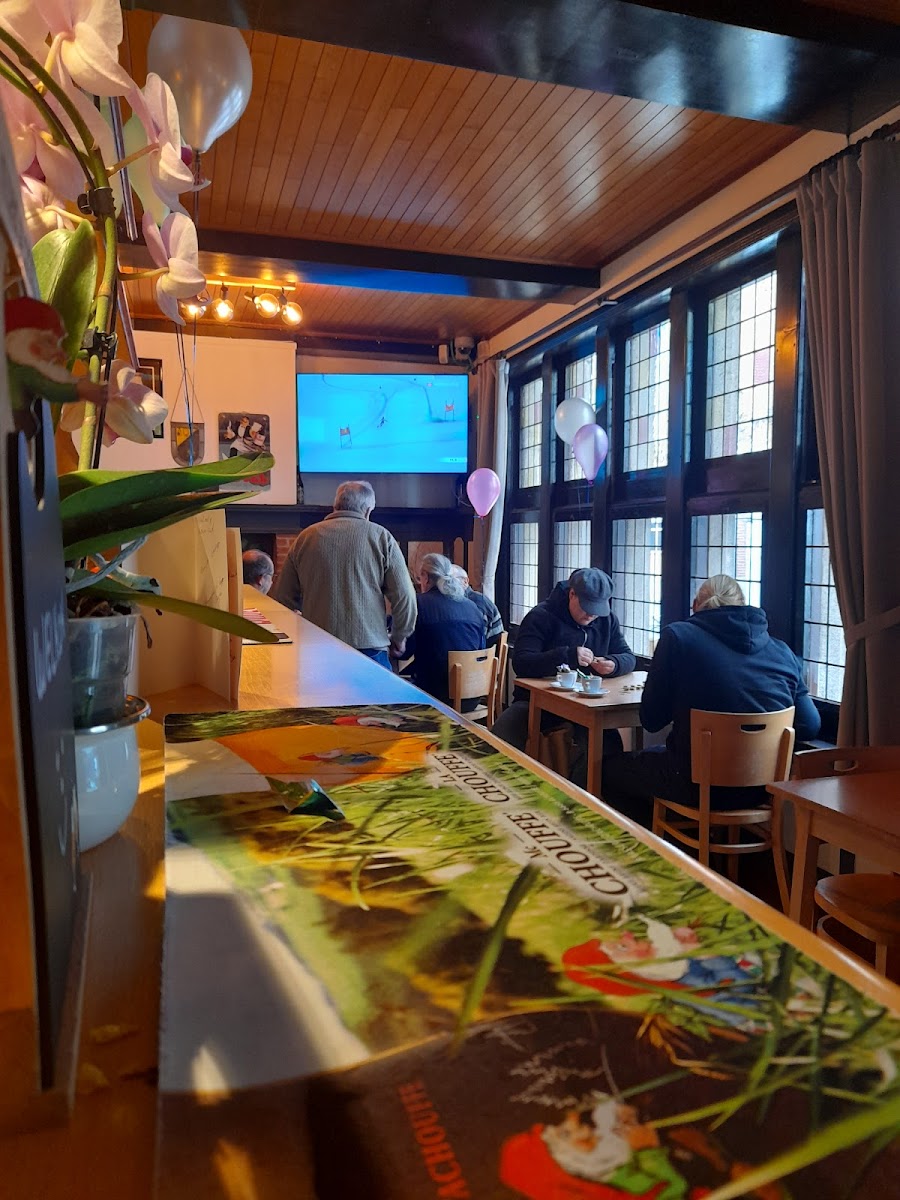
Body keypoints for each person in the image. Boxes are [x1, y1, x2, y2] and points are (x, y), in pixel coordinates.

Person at [603, 574, 821, 824]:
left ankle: (660, 842)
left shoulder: (678, 637)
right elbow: (809, 725)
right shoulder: (781, 651)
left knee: (608, 772)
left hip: (693, 783)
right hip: (762, 788)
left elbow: (651, 720)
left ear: (696, 606)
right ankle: (690, 841)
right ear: (742, 605)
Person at [491, 568, 636, 785]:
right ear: (572, 594)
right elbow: (522, 662)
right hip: (536, 703)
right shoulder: (541, 616)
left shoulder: (606, 621)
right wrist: (567, 655)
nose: (591, 615)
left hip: (585, 706)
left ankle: (577, 797)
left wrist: (614, 664)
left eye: (597, 610)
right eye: (587, 608)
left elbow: (628, 657)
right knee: (501, 738)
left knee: (608, 745)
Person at [270, 480, 416, 669]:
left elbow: (283, 598)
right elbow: (405, 596)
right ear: (368, 511)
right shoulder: (382, 537)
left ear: (336, 505)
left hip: (317, 648)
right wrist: (399, 636)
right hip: (369, 649)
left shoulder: (305, 538)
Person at [402, 553, 486, 703]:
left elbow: (404, 652)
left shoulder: (418, 604)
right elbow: (481, 648)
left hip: (432, 697)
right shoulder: (472, 606)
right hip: (471, 698)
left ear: (425, 577)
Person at [449, 563, 504, 647]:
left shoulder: (478, 602)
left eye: (451, 581)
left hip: (484, 652)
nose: (447, 585)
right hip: (484, 650)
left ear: (465, 581)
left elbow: (473, 639)